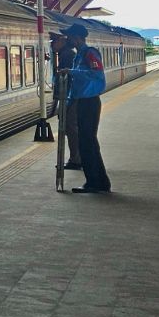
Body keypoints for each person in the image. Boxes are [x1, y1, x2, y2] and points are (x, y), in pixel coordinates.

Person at [59, 24, 111, 193]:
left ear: (78, 37)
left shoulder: (90, 53)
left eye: (70, 36)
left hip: (90, 101)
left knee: (88, 142)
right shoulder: (80, 55)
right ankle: (99, 181)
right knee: (87, 142)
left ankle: (95, 182)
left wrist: (72, 72)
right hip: (82, 100)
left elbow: (97, 75)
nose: (68, 39)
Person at [51, 32, 81, 170]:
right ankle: (75, 158)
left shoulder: (67, 55)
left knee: (70, 128)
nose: (52, 43)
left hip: (69, 98)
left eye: (54, 40)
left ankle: (76, 159)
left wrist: (63, 97)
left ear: (62, 41)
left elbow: (67, 78)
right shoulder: (66, 54)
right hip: (68, 97)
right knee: (70, 128)